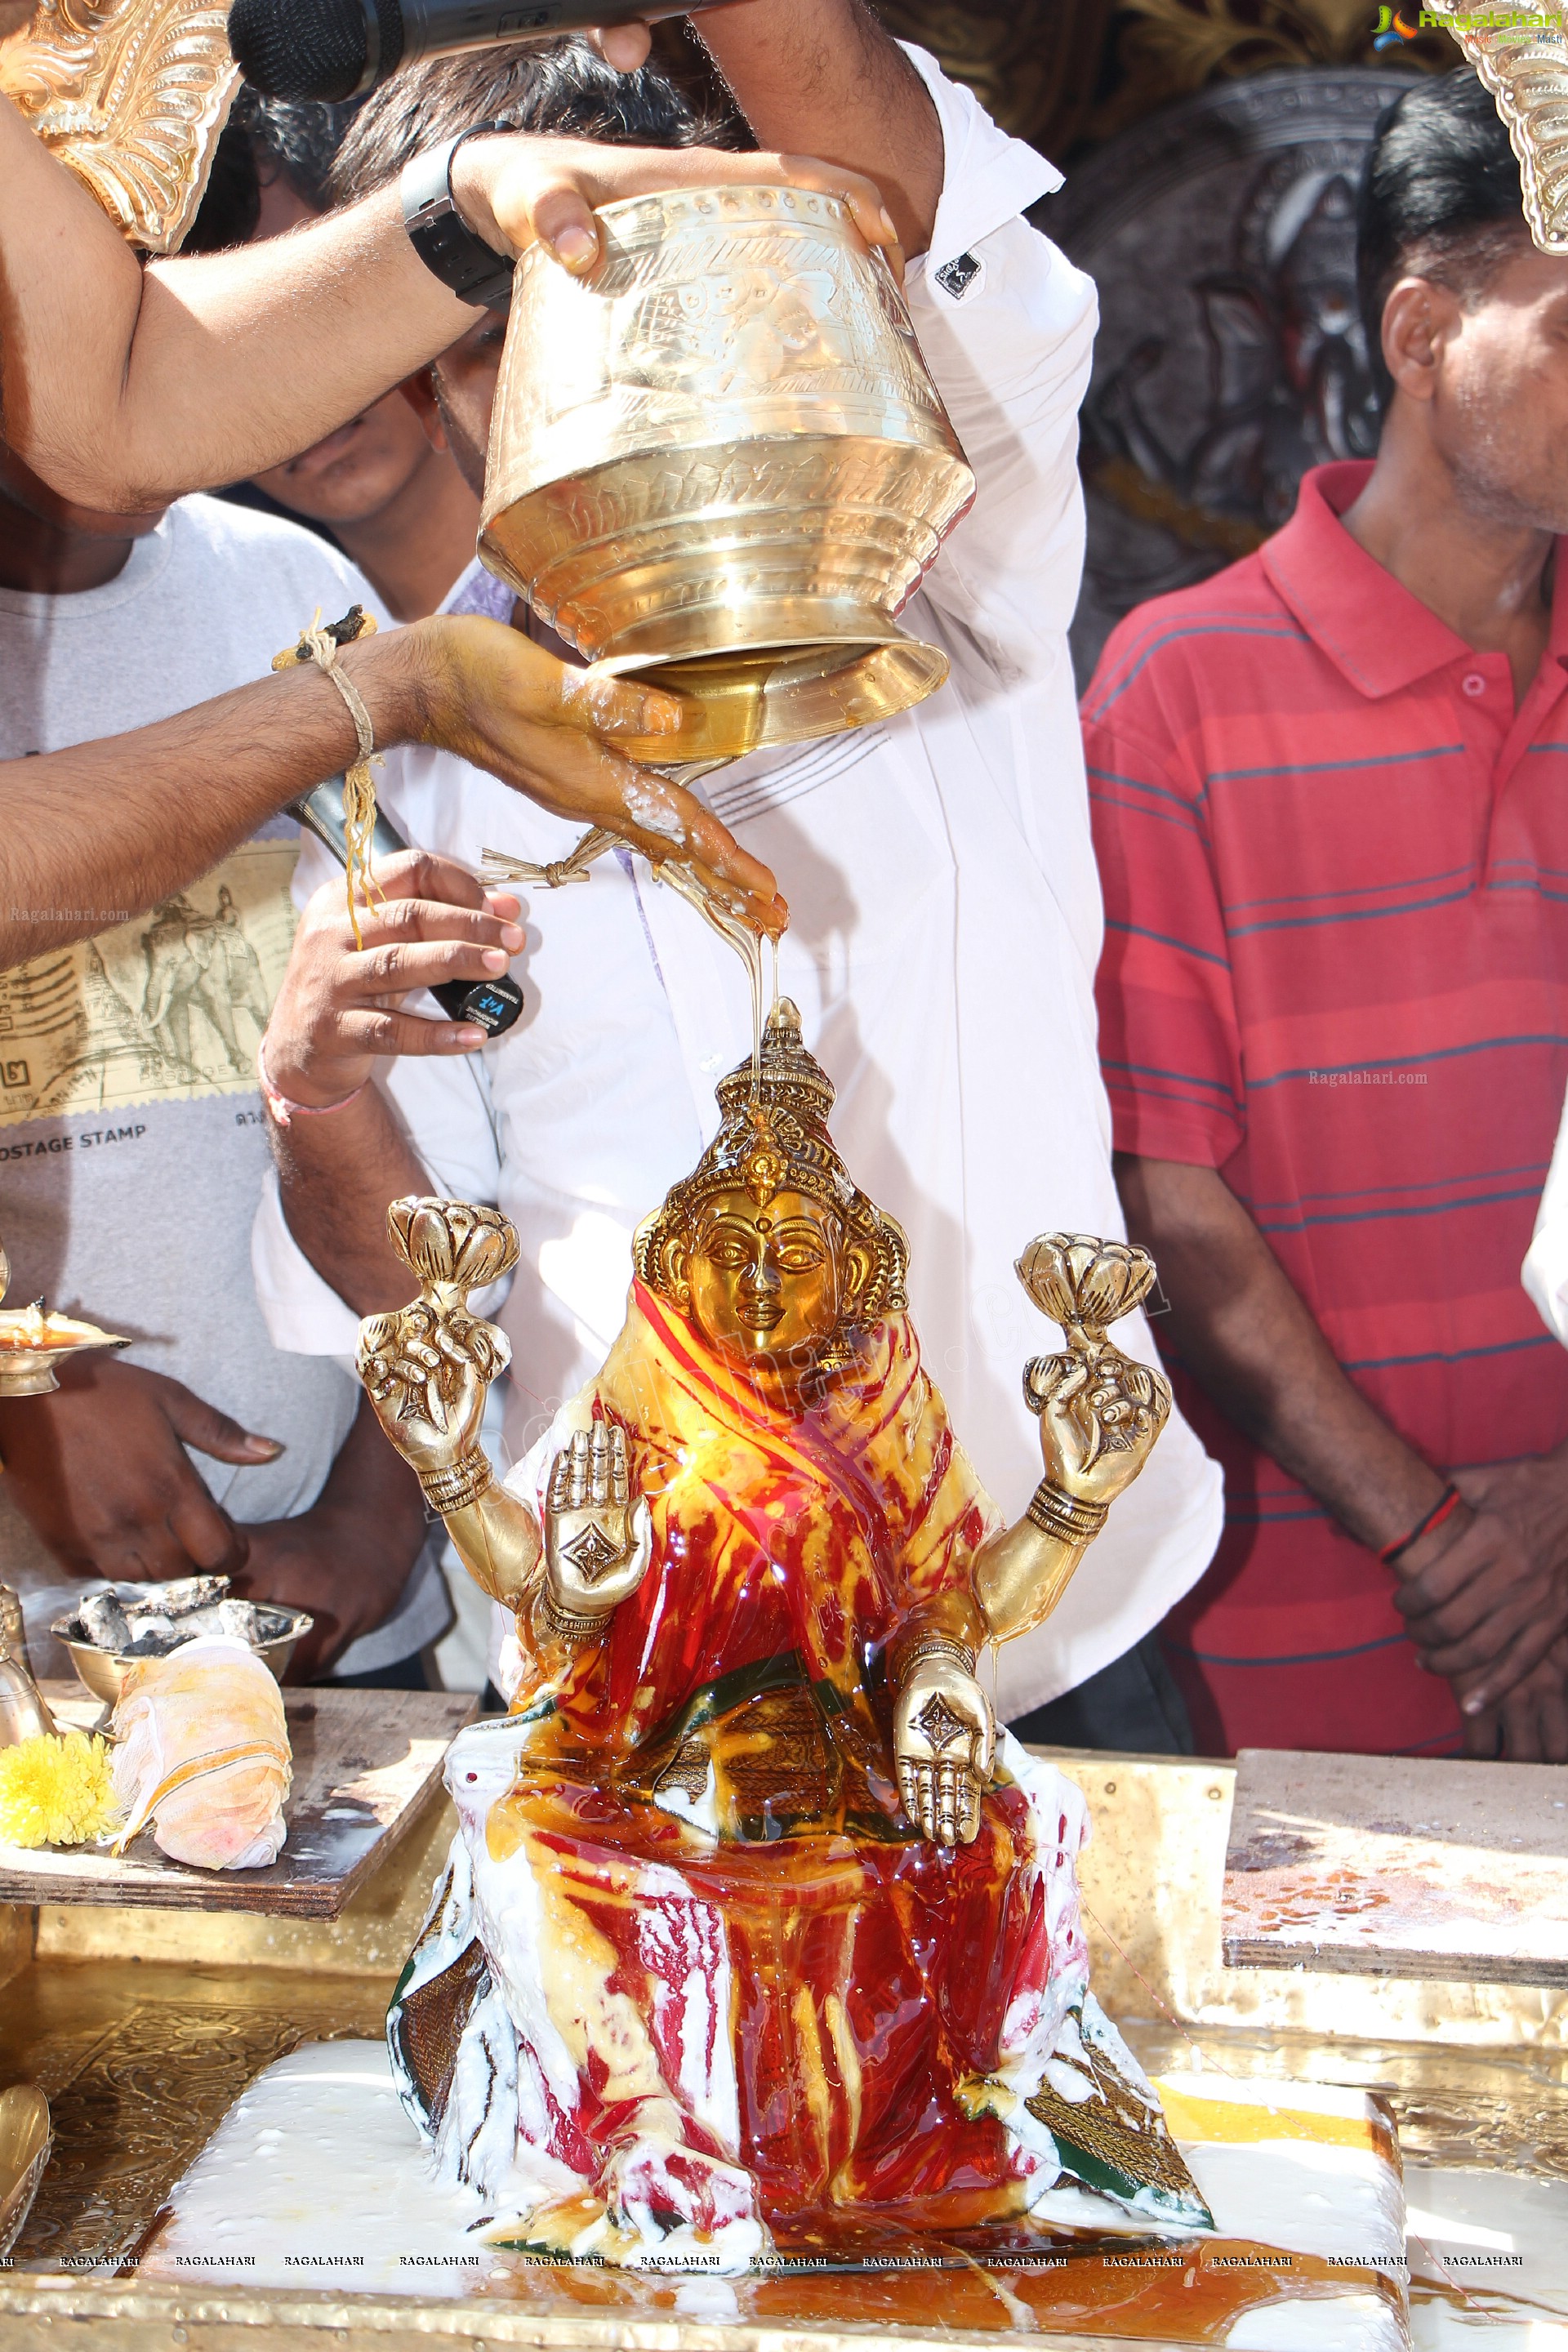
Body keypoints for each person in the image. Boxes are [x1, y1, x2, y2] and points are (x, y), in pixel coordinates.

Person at [252, 14, 1223, 1748]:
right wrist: (316, 1095)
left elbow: (912, 192)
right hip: (636, 1688)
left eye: (610, 301)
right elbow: (413, 1292)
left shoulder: (945, 555)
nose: (571, 381)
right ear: (431, 383)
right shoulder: (389, 760)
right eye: (491, 344)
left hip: (1032, 1631)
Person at [0, 430, 776, 1684]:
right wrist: (16, 1383)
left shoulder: (293, 595)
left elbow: (435, 1102)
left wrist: (381, 1507)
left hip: (333, 1601)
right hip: (30, 1634)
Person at [1085, 69, 1568, 1764]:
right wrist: (1443, 1537)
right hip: (1291, 1626)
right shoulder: (1177, 694)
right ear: (1424, 332)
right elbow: (1163, 1185)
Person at [0, 28, 901, 514]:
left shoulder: (901, 502)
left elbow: (123, 402)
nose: (590, 372)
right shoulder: (422, 752)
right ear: (422, 393)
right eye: (500, 331)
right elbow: (117, 411)